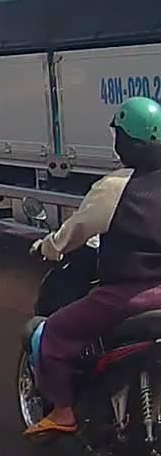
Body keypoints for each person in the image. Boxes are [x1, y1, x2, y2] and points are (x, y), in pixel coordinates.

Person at [25, 96, 161, 437]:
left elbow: (72, 234)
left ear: (124, 142)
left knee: (53, 334)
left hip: (127, 296)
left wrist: (47, 247)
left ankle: (63, 412)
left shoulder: (115, 187)